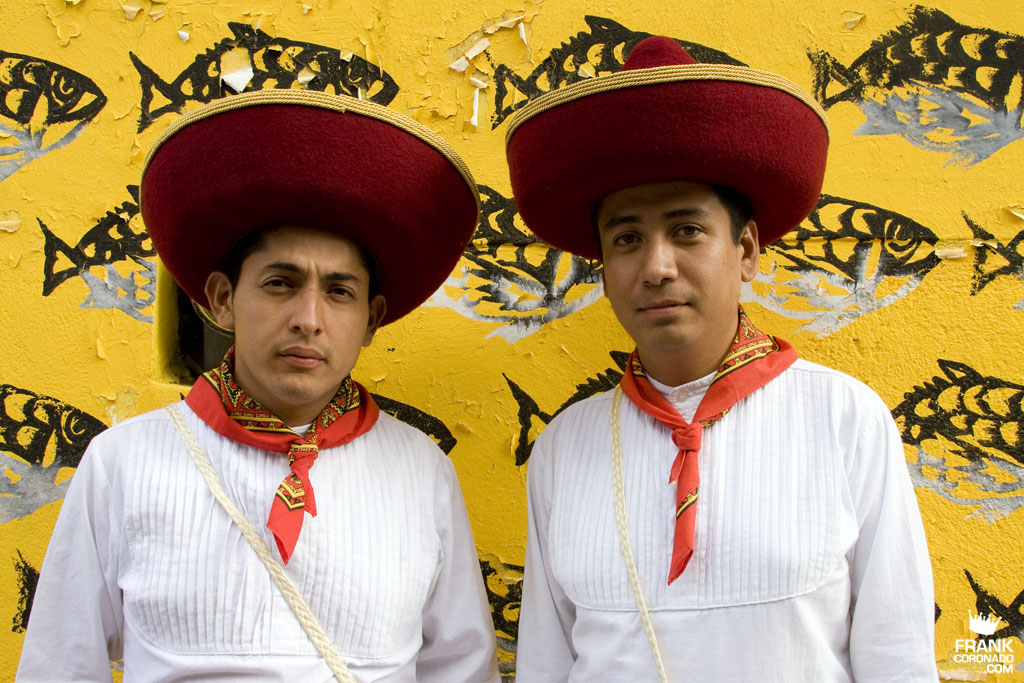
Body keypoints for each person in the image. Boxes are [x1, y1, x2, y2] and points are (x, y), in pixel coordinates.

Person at [18, 90, 500, 682]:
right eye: (280, 283)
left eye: (340, 292)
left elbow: (460, 667)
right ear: (222, 300)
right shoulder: (122, 462)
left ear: (371, 320)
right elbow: (62, 664)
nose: (309, 318)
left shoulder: (422, 471)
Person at [505, 37, 937, 682]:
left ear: (747, 250)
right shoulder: (566, 444)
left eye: (687, 231)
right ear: (601, 264)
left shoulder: (845, 417)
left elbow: (896, 655)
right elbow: (546, 660)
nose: (656, 268)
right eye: (627, 239)